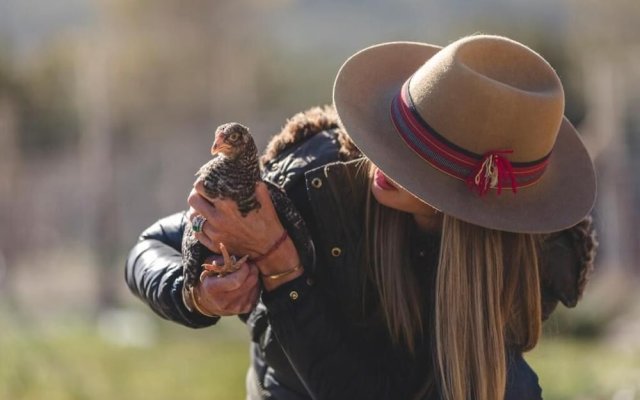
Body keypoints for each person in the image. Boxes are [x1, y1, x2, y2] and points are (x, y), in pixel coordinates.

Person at [125, 35, 598, 400]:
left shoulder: (535, 257)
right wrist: (198, 294)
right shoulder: (311, 182)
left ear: (480, 206)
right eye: (397, 137)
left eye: (420, 162)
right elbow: (151, 246)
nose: (386, 162)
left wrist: (280, 262)